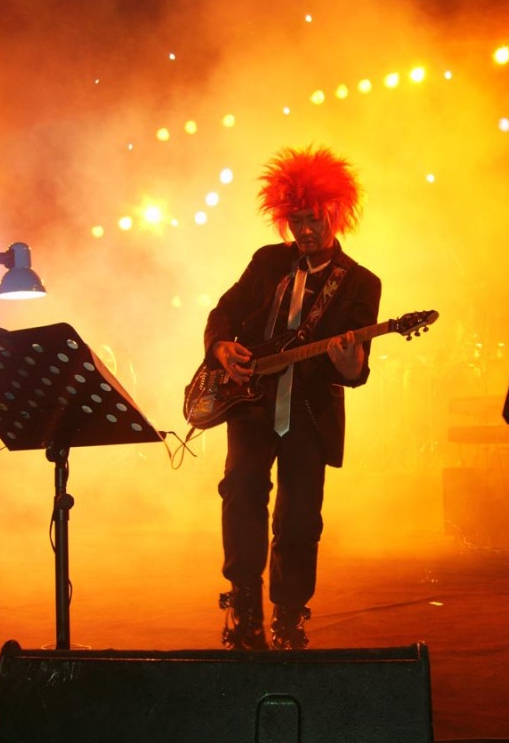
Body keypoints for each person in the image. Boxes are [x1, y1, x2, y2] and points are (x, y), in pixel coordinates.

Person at [202, 145, 382, 650]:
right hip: (250, 403)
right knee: (242, 493)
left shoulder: (361, 283)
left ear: (335, 213)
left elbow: (356, 370)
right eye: (296, 220)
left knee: (300, 518)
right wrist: (221, 347)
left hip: (308, 411)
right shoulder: (268, 262)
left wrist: (351, 363)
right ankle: (244, 609)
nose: (303, 230)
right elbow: (223, 312)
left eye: (313, 219)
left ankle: (288, 617)